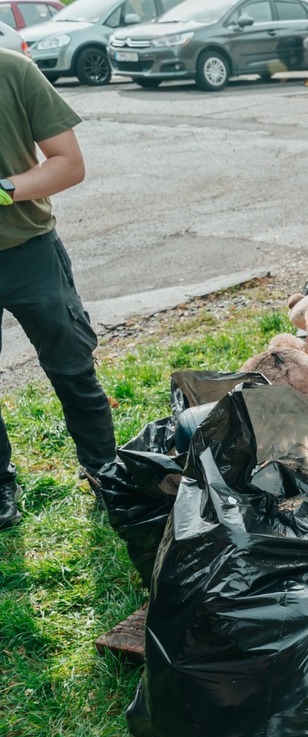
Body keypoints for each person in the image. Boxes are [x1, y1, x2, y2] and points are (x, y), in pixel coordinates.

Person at [0, 48, 116, 530]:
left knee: (71, 367)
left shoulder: (12, 70)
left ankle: (105, 471)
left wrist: (4, 187)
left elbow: (68, 163)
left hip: (29, 251)